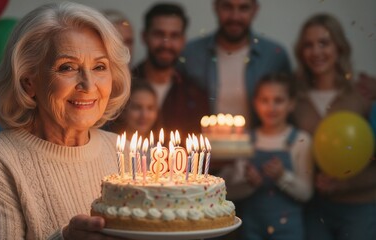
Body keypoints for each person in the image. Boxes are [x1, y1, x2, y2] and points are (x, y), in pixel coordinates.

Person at [0, 2, 130, 239]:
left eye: (100, 66)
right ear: (28, 81)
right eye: (67, 67)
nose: (89, 85)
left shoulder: (126, 153)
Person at [293, 13, 376, 240]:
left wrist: (344, 184)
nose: (316, 52)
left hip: (359, 206)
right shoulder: (294, 99)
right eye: (308, 45)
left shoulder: (364, 94)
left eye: (324, 43)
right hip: (312, 208)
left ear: (339, 46)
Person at [220, 74, 313, 240]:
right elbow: (229, 193)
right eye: (264, 100)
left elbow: (306, 193)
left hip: (289, 230)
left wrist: (282, 176)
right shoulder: (244, 139)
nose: (271, 107)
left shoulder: (301, 140)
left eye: (278, 100)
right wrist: (249, 184)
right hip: (250, 228)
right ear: (255, 103)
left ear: (291, 103)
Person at [179, 0, 291, 128]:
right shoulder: (191, 54)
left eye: (243, 8)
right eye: (227, 7)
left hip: (259, 145)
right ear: (216, 7)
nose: (235, 16)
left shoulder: (274, 56)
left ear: (255, 10)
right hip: (202, 144)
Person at [133, 2, 210, 139]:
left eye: (174, 36)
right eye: (159, 34)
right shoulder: (123, 87)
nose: (166, 43)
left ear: (183, 40)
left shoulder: (195, 95)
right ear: (144, 36)